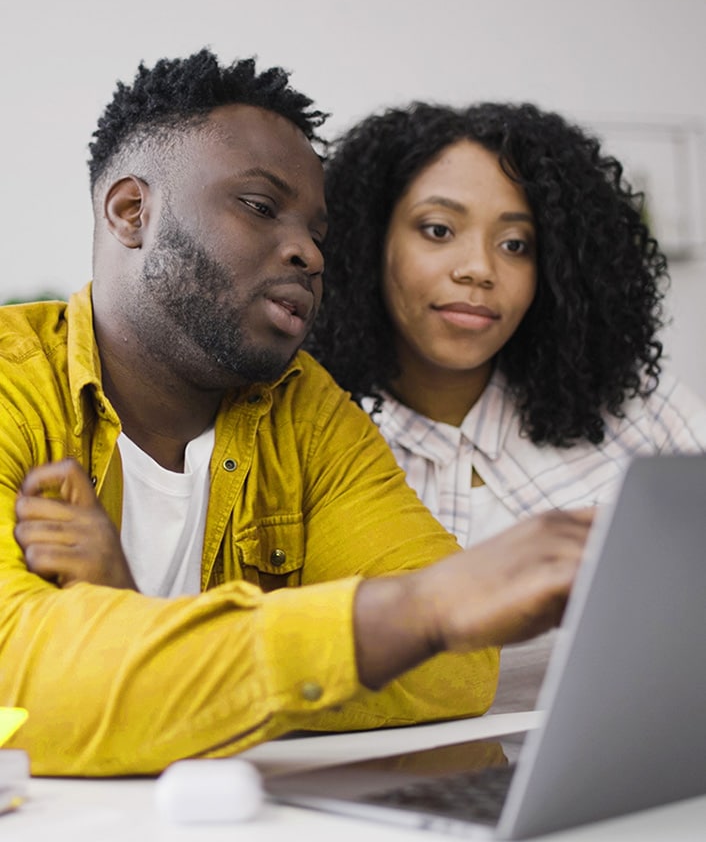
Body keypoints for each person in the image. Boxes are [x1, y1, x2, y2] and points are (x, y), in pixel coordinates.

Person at [0, 51, 593, 777]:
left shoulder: (307, 410)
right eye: (259, 205)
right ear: (132, 211)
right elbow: (16, 682)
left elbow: (455, 669)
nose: (309, 253)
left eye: (319, 231)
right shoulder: (12, 387)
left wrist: (129, 621)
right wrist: (408, 615)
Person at [306, 101, 706, 711]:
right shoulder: (308, 435)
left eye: (516, 244)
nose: (479, 269)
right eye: (438, 230)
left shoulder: (639, 414)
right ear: (369, 242)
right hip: (377, 790)